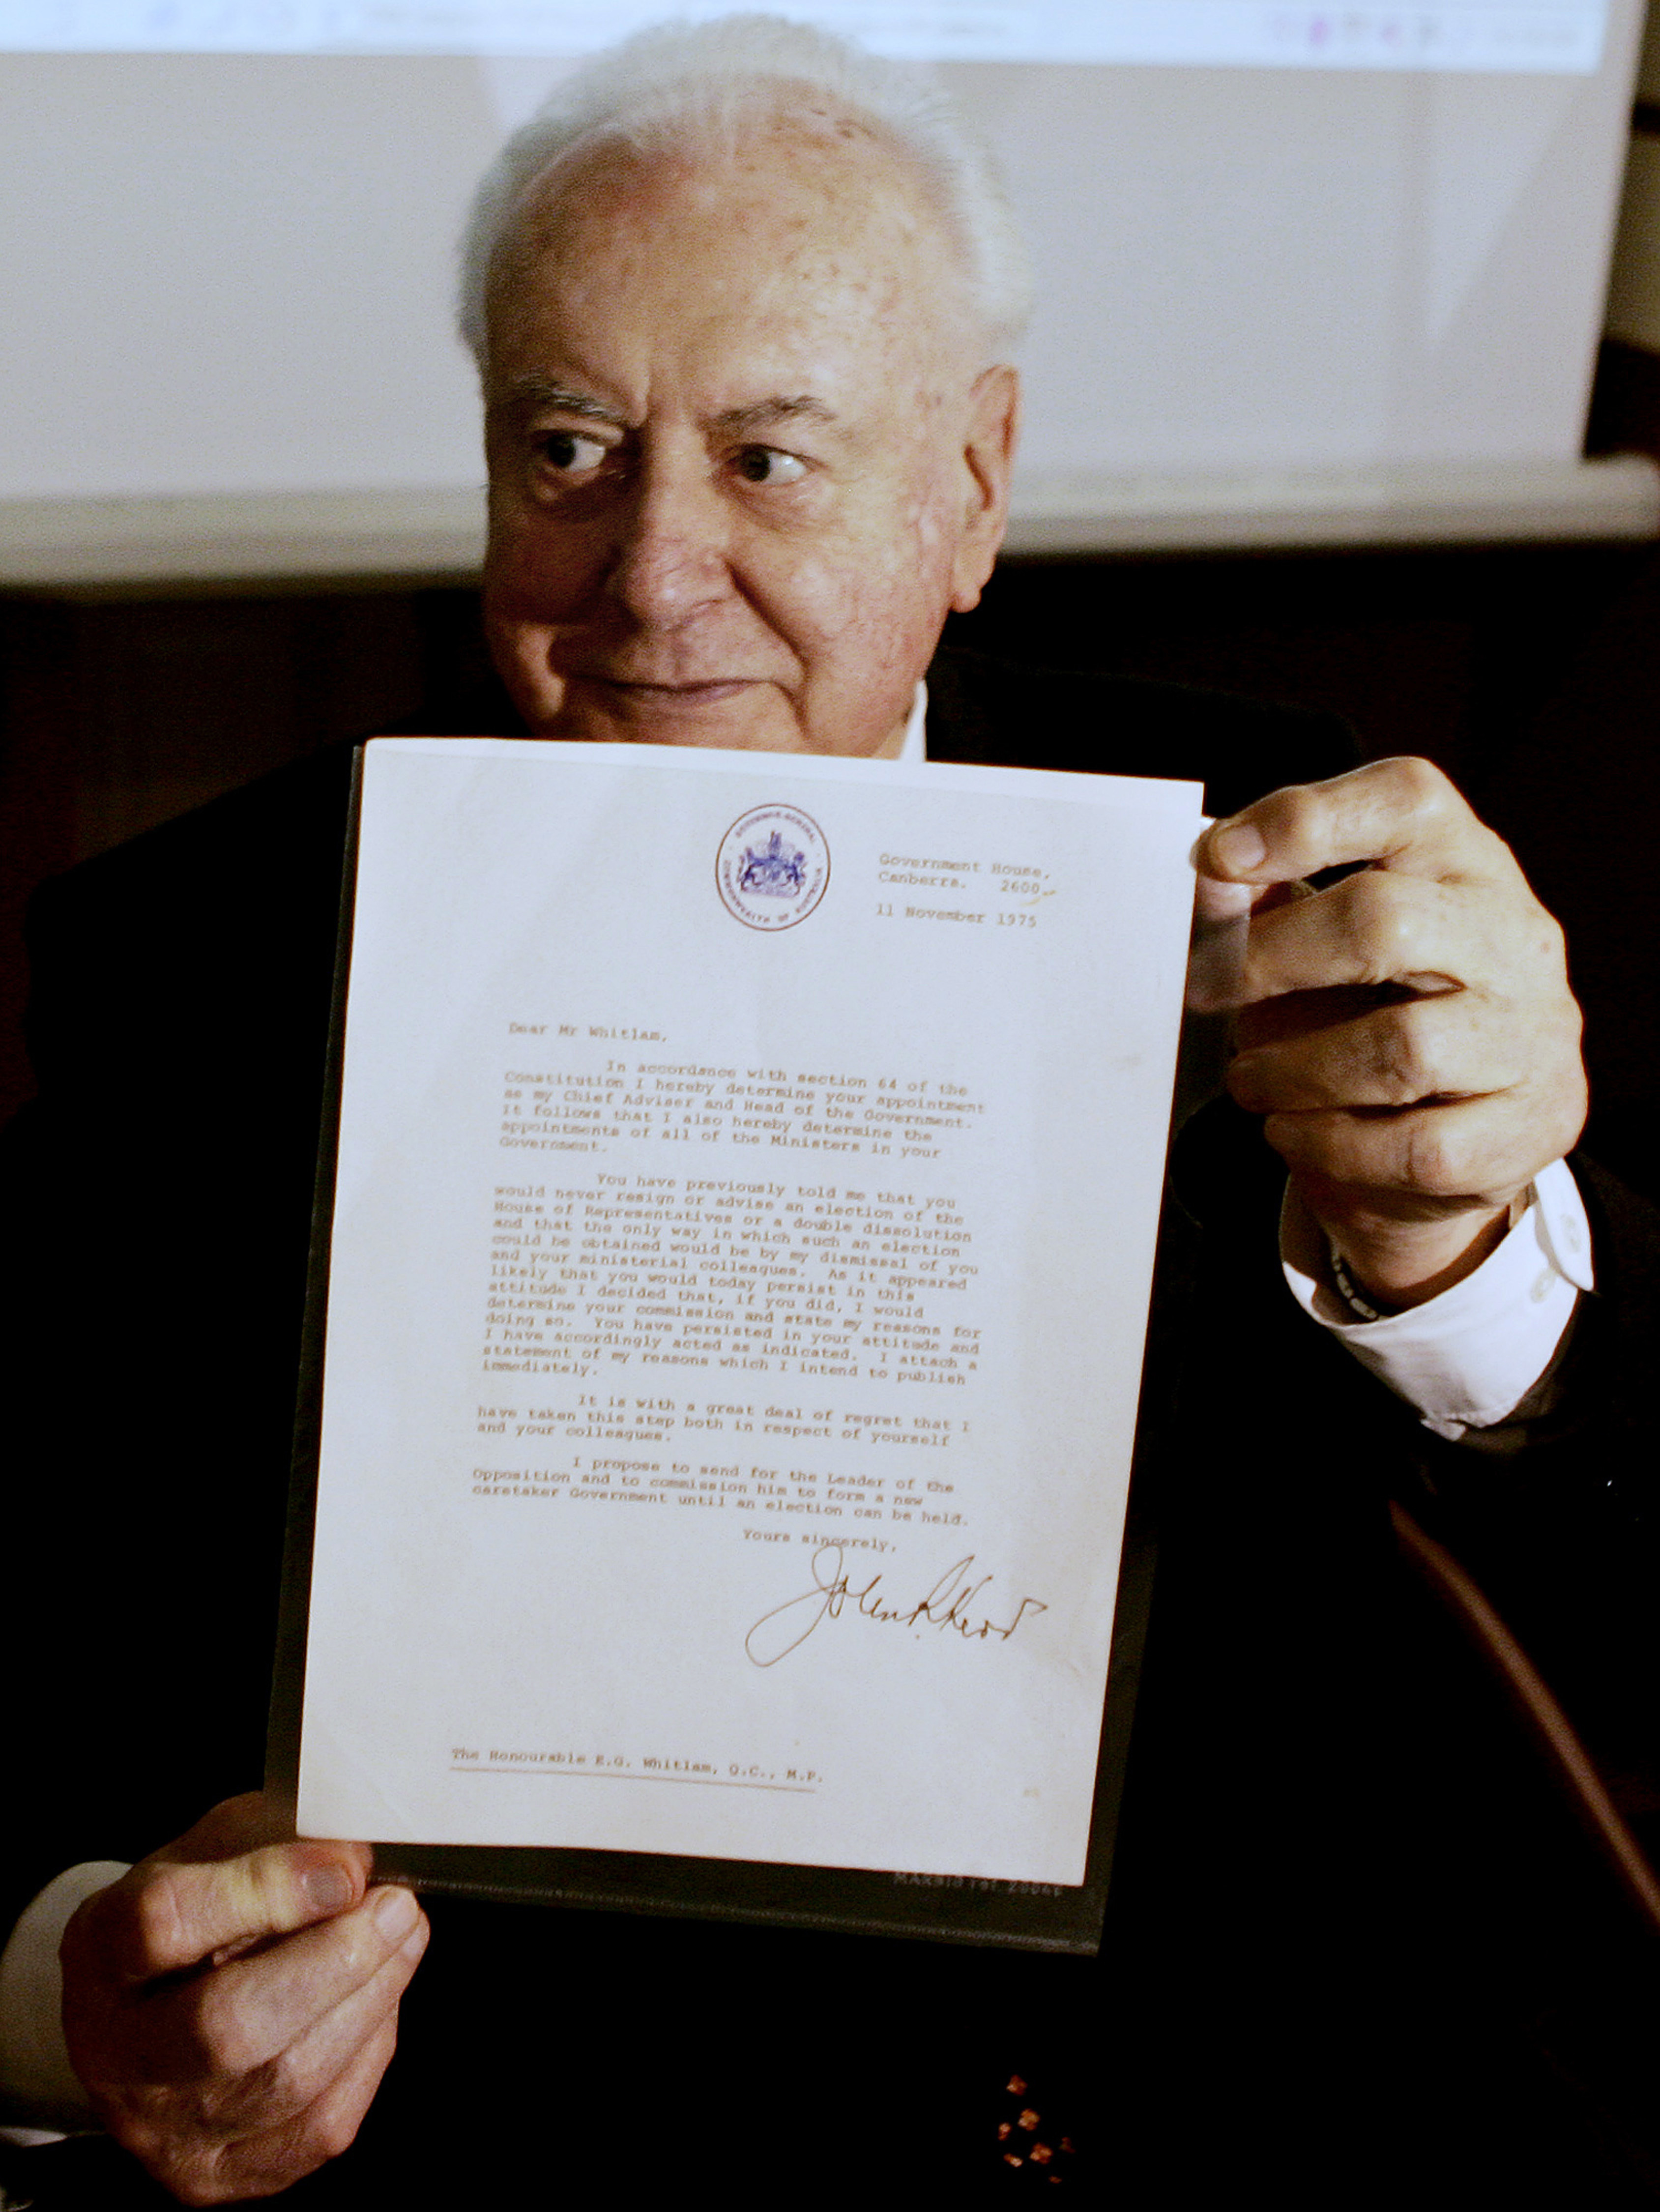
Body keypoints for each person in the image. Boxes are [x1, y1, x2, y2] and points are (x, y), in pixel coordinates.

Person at [1, 18, 1653, 2204]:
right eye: (569, 448)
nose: (651, 571)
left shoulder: (1266, 876)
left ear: (973, 485)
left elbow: (1600, 1532)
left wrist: (1456, 1241)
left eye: (771, 457)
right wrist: (71, 2002)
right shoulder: (189, 964)